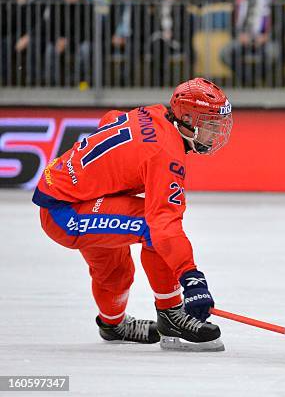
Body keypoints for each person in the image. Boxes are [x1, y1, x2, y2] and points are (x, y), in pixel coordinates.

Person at [32, 78, 233, 352]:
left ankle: (113, 325)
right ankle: (171, 314)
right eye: (211, 124)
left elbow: (110, 119)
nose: (216, 133)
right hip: (65, 213)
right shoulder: (166, 153)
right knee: (152, 227)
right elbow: (164, 224)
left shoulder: (153, 112)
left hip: (77, 196)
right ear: (186, 119)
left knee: (115, 270)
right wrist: (191, 277)